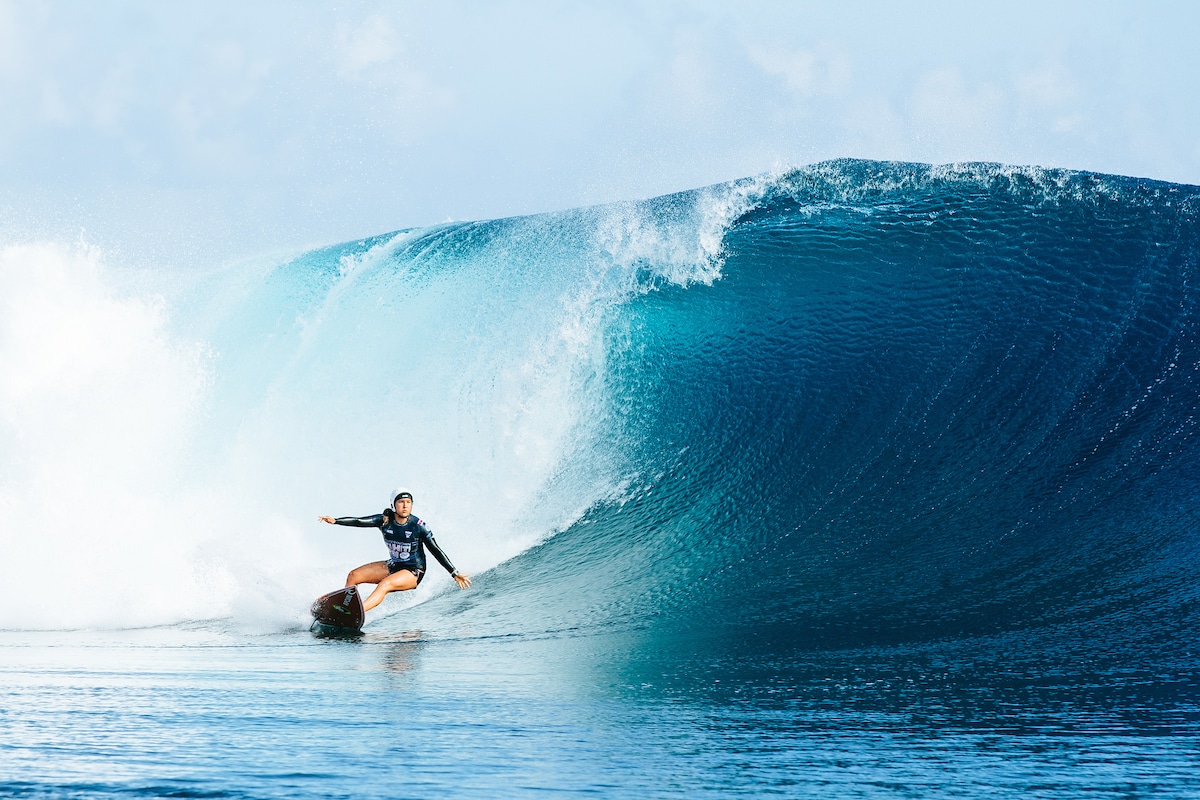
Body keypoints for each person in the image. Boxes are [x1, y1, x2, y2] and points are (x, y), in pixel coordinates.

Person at [319, 488, 471, 613]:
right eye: (401, 502)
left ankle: (357, 613)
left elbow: (436, 550)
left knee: (384, 584)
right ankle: (344, 608)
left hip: (413, 571)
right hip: (394, 565)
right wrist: (336, 521)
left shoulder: (419, 526)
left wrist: (454, 573)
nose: (405, 506)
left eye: (408, 502)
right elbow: (359, 521)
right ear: (393, 505)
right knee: (354, 575)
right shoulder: (384, 521)